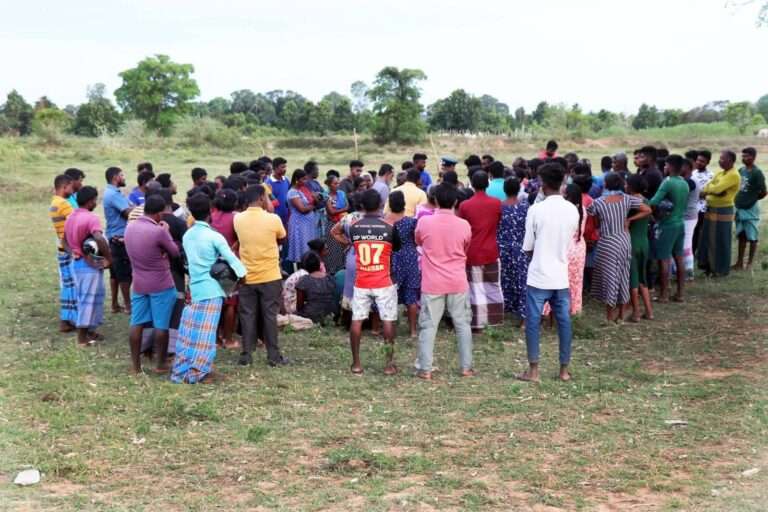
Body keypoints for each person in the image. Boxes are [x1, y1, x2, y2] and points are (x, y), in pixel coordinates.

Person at [171, 194, 246, 384]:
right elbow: (231, 259)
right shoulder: (214, 236)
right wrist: (242, 275)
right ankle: (199, 372)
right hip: (212, 290)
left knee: (190, 333)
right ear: (210, 211)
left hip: (194, 289)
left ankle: (184, 368)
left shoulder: (188, 235)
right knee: (206, 335)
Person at [517, 163, 577, 383]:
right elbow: (569, 241)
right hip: (560, 275)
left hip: (539, 275)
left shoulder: (536, 210)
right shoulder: (572, 210)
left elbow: (528, 247)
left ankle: (533, 371)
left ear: (542, 184)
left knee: (533, 322)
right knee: (564, 323)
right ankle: (564, 371)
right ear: (562, 182)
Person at [414, 183, 474, 379]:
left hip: (433, 282)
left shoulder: (424, 222)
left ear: (435, 200)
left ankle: (425, 368)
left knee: (429, 325)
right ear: (456, 201)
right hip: (457, 280)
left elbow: (418, 241)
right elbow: (465, 247)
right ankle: (466, 367)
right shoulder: (464, 225)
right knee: (462, 324)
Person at [233, 185, 289, 367]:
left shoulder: (238, 219)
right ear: (261, 198)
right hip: (270, 275)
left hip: (247, 276)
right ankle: (273, 356)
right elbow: (282, 237)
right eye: (266, 196)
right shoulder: (273, 219)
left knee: (247, 315)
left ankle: (246, 355)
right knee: (270, 316)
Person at [124, 195, 180, 374]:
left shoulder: (130, 227)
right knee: (161, 325)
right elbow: (175, 252)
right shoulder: (158, 231)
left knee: (136, 323)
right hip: (161, 283)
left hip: (139, 282)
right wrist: (166, 231)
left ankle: (135, 366)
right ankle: (160, 364)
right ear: (157, 214)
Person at [348, 190, 401, 375]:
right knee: (388, 320)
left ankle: (356, 364)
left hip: (362, 280)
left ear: (362, 206)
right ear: (380, 204)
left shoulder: (354, 226)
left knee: (357, 320)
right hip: (383, 280)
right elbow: (397, 247)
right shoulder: (389, 227)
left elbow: (347, 240)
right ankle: (389, 364)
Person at [587, 174, 652, 321]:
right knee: (624, 276)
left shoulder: (598, 202)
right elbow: (647, 210)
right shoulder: (627, 199)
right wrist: (628, 219)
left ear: (605, 184)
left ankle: (610, 316)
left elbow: (595, 222)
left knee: (609, 278)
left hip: (608, 242)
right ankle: (622, 314)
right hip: (624, 240)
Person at [63, 186, 112, 347]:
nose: (96, 203)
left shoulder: (71, 216)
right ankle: (81, 338)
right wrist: (109, 258)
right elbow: (99, 238)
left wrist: (73, 252)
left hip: (78, 263)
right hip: (88, 266)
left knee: (94, 297)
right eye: (95, 200)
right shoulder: (91, 218)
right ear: (90, 201)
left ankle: (90, 331)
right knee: (88, 300)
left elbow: (63, 240)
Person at [457, 171, 503, 331]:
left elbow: (462, 228)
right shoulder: (496, 203)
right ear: (487, 184)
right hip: (491, 250)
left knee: (474, 289)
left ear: (472, 184)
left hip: (472, 251)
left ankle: (476, 323)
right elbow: (498, 223)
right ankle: (494, 320)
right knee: (493, 286)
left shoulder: (465, 205)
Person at [648, 154, 690, 302]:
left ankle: (664, 294)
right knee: (679, 258)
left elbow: (654, 202)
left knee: (664, 259)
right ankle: (680, 293)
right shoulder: (684, 183)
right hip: (680, 223)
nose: (664, 167)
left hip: (667, 225)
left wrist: (642, 201)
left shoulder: (668, 182)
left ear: (670, 166)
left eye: (665, 165)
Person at [544, 184, 587, 317]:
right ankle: (573, 309)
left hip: (565, 247)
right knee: (575, 282)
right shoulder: (582, 210)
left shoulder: (563, 211)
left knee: (558, 282)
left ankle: (553, 311)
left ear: (567, 196)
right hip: (578, 249)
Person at [698, 150, 741, 276]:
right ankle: (708, 266)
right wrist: (712, 191)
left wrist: (710, 191)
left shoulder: (733, 175)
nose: (719, 161)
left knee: (720, 239)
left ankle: (720, 269)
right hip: (711, 208)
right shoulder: (720, 173)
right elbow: (707, 187)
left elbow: (717, 189)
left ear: (730, 161)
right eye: (720, 158)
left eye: (723, 159)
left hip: (723, 210)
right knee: (708, 238)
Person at [385, 191, 421, 338]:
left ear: (390, 205)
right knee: (411, 297)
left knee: (389, 295)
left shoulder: (385, 222)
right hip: (409, 259)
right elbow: (417, 240)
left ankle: (389, 329)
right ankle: (413, 331)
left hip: (391, 258)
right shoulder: (412, 222)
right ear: (404, 205)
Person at [210, 188, 240, 348]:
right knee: (230, 302)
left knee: (215, 301)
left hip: (212, 263)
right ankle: (228, 339)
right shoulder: (236, 218)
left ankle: (215, 338)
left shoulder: (211, 217)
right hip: (229, 263)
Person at [497, 177, 529, 322]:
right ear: (518, 190)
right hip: (520, 248)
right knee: (520, 279)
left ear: (504, 190)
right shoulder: (525, 207)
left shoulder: (499, 207)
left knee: (503, 277)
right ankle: (521, 310)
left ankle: (504, 306)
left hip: (502, 247)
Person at [49, 174, 78, 332]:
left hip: (62, 248)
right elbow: (76, 224)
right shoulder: (64, 204)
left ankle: (66, 319)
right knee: (73, 285)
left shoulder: (54, 202)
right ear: (65, 186)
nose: (73, 190)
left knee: (68, 285)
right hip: (69, 249)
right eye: (71, 187)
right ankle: (73, 319)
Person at [103, 167, 133, 314]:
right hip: (119, 238)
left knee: (115, 272)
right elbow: (128, 213)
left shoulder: (113, 193)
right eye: (122, 175)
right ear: (115, 177)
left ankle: (115, 304)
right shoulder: (113, 194)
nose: (124, 177)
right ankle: (128, 306)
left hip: (112, 236)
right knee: (124, 273)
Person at [626, 175, 654, 322]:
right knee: (643, 278)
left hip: (633, 243)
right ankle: (649, 312)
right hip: (644, 242)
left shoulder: (632, 201)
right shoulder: (646, 199)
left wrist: (629, 219)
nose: (625, 186)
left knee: (633, 280)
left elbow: (647, 211)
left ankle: (636, 313)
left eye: (627, 184)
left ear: (631, 187)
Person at [733, 147, 766, 271]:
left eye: (747, 156)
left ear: (753, 157)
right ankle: (739, 262)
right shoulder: (741, 170)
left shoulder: (757, 173)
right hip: (739, 207)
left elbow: (764, 192)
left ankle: (750, 263)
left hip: (750, 208)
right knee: (741, 235)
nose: (744, 158)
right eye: (743, 156)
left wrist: (752, 199)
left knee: (752, 236)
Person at [286, 169, 319, 265]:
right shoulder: (292, 192)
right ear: (297, 179)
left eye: (306, 179)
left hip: (307, 225)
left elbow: (311, 203)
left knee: (308, 247)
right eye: (303, 179)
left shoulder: (302, 190)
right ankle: (302, 268)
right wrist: (314, 206)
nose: (306, 181)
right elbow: (302, 209)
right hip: (299, 224)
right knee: (302, 248)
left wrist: (315, 200)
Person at [295, 251, 337, 325]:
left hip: (311, 316)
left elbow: (299, 307)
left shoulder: (303, 280)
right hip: (331, 314)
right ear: (319, 264)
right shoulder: (330, 278)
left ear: (305, 266)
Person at [323, 175, 349, 274]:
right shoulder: (326, 195)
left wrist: (337, 210)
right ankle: (332, 271)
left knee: (343, 247)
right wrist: (343, 209)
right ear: (329, 185)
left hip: (342, 224)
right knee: (333, 249)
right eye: (335, 183)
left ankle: (342, 269)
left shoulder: (341, 193)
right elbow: (331, 212)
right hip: (332, 224)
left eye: (338, 183)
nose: (337, 185)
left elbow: (347, 206)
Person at [691, 150, 713, 257]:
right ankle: (692, 253)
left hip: (704, 209)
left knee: (702, 233)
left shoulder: (711, 176)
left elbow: (709, 192)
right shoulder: (692, 173)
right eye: (698, 160)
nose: (699, 163)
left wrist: (700, 194)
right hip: (692, 208)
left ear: (708, 162)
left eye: (702, 161)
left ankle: (702, 255)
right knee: (693, 233)